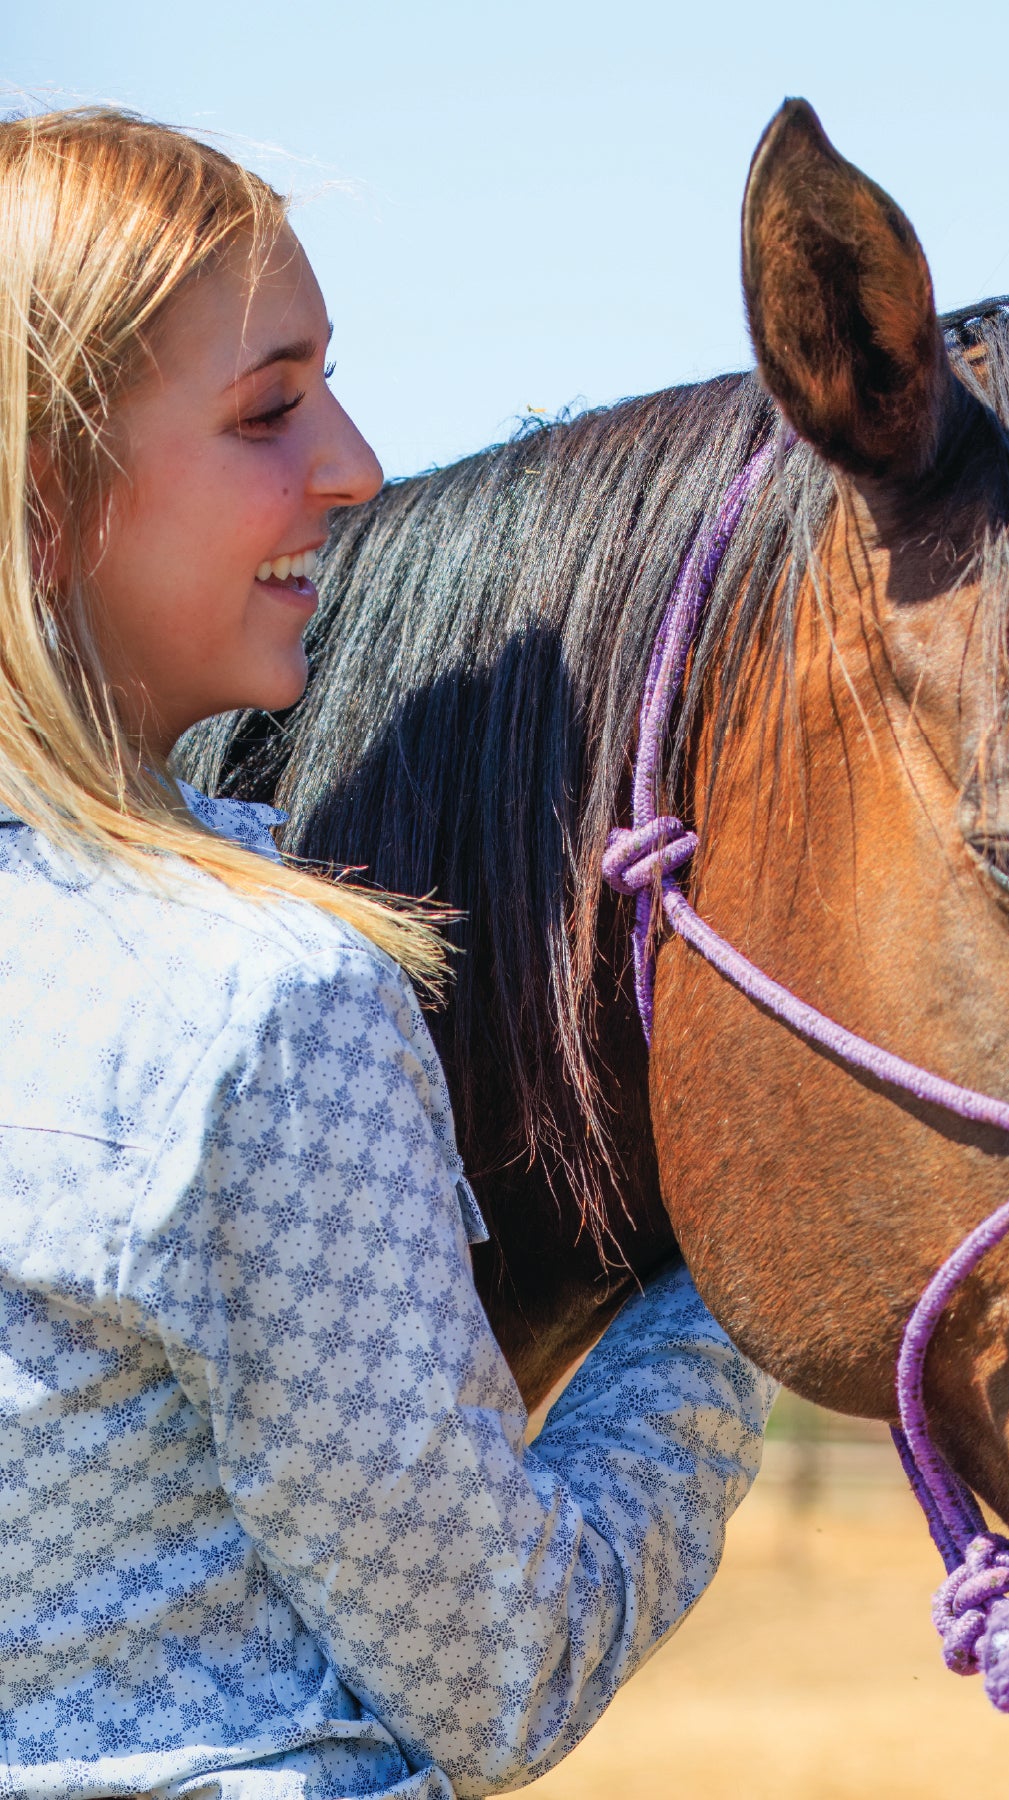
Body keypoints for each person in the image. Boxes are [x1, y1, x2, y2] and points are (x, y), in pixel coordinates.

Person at [0, 106, 776, 1799]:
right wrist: (718, 1295)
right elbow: (506, 1672)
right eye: (267, 409)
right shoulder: (251, 1008)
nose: (350, 462)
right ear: (42, 506)